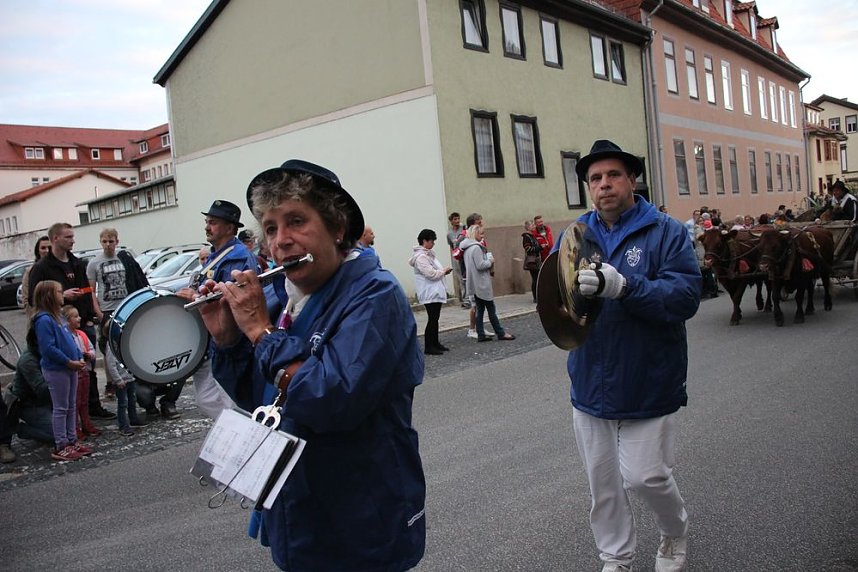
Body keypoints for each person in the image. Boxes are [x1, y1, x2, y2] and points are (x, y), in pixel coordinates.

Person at [198, 159, 426, 571]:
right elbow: (259, 398)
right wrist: (228, 340)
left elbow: (331, 398)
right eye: (270, 228)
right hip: (298, 506)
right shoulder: (279, 298)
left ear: (338, 227)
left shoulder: (376, 295)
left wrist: (261, 333)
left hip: (361, 515)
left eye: (296, 221)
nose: (281, 240)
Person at [563, 140, 701, 572]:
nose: (604, 185)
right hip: (591, 379)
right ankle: (615, 557)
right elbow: (557, 297)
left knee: (646, 476)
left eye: (613, 175)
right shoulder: (575, 236)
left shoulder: (666, 231)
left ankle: (674, 531)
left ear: (632, 179)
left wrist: (624, 287)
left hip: (648, 377)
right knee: (603, 484)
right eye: (595, 178)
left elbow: (685, 296)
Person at [172, 199, 260, 421]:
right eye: (207, 222)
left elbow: (234, 297)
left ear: (229, 228)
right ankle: (234, 428)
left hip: (232, 341)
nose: (207, 227)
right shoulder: (216, 255)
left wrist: (196, 297)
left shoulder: (238, 256)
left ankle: (242, 434)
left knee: (233, 400)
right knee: (207, 399)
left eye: (213, 222)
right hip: (213, 341)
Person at [28, 222, 115, 420]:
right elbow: (34, 298)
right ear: (55, 239)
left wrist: (89, 318)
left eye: (72, 236)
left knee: (88, 368)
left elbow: (87, 290)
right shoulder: (42, 268)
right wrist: (63, 295)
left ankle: (93, 406)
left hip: (82, 324)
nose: (72, 240)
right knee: (66, 370)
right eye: (68, 237)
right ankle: (71, 414)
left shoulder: (77, 263)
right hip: (58, 325)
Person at [29, 280, 93, 461]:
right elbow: (48, 348)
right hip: (57, 369)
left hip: (70, 367)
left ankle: (72, 440)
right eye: (58, 292)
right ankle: (61, 444)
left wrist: (78, 357)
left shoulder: (59, 317)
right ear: (49, 296)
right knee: (61, 407)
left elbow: (69, 340)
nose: (62, 294)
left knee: (71, 405)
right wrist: (68, 362)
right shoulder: (44, 320)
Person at [87, 227, 149, 400]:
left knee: (128, 343)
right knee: (108, 348)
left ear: (117, 241)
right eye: (104, 241)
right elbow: (91, 290)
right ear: (100, 242)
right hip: (107, 308)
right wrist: (98, 312)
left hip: (125, 306)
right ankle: (110, 383)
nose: (108, 244)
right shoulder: (94, 263)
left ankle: (130, 379)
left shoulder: (123, 259)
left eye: (111, 241)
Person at [460, 225, 515, 342]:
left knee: (480, 310)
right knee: (491, 309)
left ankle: (481, 334)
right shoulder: (476, 248)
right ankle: (500, 332)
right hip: (481, 283)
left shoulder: (467, 248)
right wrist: (490, 261)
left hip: (474, 283)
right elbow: (480, 265)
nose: (483, 236)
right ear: (474, 233)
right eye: (481, 234)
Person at [409, 228, 452, 355]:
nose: (433, 243)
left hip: (434, 291)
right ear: (424, 241)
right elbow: (431, 274)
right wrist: (443, 271)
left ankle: (435, 343)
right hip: (429, 292)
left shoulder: (428, 254)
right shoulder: (421, 257)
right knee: (432, 318)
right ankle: (429, 346)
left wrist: (442, 272)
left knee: (435, 318)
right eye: (432, 241)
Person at [61, 305, 101, 439]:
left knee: (84, 401)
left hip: (85, 371)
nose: (79, 318)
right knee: (75, 402)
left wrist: (89, 355)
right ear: (67, 320)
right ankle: (74, 428)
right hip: (75, 373)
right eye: (75, 316)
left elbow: (91, 349)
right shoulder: (66, 337)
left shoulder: (81, 334)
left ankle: (86, 424)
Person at [103, 332, 146, 436]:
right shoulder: (112, 346)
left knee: (132, 400)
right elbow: (111, 365)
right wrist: (118, 380)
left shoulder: (124, 343)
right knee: (123, 403)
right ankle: (123, 426)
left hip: (130, 378)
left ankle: (133, 419)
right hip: (121, 380)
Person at [8, 349, 54, 444]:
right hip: (29, 405)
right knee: (57, 434)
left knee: (67, 427)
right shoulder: (28, 361)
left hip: (45, 401)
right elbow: (42, 390)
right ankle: (18, 428)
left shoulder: (48, 352)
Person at [21, 235, 50, 318]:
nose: (47, 250)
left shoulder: (59, 268)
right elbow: (26, 298)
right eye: (43, 248)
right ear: (38, 251)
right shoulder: (30, 271)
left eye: (49, 247)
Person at [446, 212, 467, 307]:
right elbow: (451, 245)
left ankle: (468, 299)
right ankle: (465, 299)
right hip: (456, 258)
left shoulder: (464, 228)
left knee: (467, 277)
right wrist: (453, 255)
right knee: (461, 278)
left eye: (458, 218)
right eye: (455, 219)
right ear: (451, 221)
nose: (457, 221)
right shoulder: (449, 233)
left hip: (464, 256)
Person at [522, 219, 542, 303]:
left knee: (537, 278)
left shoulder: (532, 236)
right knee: (535, 279)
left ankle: (538, 296)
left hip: (536, 260)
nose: (534, 226)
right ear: (528, 227)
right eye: (532, 225)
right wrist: (539, 248)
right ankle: (535, 297)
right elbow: (528, 249)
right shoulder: (526, 237)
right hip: (532, 261)